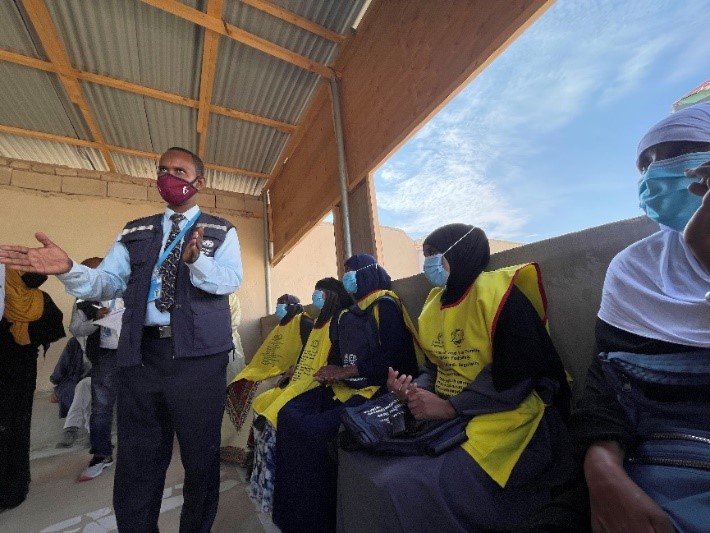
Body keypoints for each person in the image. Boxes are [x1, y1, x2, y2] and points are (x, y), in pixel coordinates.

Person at [0, 146, 242, 531]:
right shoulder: (135, 230)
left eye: (179, 170)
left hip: (198, 361)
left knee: (200, 459)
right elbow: (107, 283)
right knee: (138, 462)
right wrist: (69, 269)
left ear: (200, 180)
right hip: (140, 356)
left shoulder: (220, 230)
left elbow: (229, 281)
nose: (169, 176)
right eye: (162, 169)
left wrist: (198, 261)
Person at [336, 225, 574, 533]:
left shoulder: (499, 294)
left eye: (435, 254)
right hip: (449, 412)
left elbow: (517, 373)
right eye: (426, 255)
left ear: (461, 252)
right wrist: (411, 389)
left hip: (505, 414)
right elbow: (434, 368)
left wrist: (450, 407)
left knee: (399, 482)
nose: (428, 263)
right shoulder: (433, 304)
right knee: (355, 448)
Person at [571, 102, 710, 533]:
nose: (655, 172)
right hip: (652, 461)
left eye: (677, 152)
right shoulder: (633, 269)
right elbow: (607, 381)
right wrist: (601, 469)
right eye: (645, 163)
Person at [271, 255, 422, 533]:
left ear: (367, 274)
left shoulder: (384, 305)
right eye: (345, 273)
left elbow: (393, 357)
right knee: (288, 414)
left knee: (313, 430)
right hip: (344, 386)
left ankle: (321, 520)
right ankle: (292, 517)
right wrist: (332, 369)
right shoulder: (346, 314)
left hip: (375, 389)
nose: (347, 277)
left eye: (351, 272)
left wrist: (348, 371)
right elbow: (339, 355)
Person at [249, 278, 352, 515]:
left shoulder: (340, 320)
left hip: (315, 385)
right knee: (262, 402)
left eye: (320, 293)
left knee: (275, 419)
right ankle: (263, 490)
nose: (315, 297)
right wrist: (294, 371)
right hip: (300, 379)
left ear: (330, 296)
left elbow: (334, 362)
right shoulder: (317, 323)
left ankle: (274, 491)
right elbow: (306, 355)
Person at [221, 294, 312, 468]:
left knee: (258, 389)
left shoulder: (304, 323)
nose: (278, 308)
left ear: (292, 306)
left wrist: (294, 368)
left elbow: (309, 354)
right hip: (266, 372)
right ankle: (226, 442)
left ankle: (244, 449)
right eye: (277, 304)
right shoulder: (279, 327)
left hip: (286, 374)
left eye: (282, 305)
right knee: (237, 386)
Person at [0, 268, 65, 512]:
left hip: (13, 375)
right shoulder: (40, 299)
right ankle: (15, 488)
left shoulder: (4, 300)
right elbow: (55, 329)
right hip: (23, 374)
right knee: (18, 428)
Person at [66, 257, 124, 481]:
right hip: (104, 358)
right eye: (91, 273)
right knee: (101, 407)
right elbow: (76, 329)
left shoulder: (127, 293)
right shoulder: (84, 300)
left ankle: (136, 450)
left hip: (132, 356)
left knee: (137, 404)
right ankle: (101, 455)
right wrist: (96, 321)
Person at [50, 336, 91, 447]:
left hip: (99, 380)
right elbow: (62, 366)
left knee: (86, 386)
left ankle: (71, 429)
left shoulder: (108, 340)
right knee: (81, 390)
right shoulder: (75, 342)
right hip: (75, 382)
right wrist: (56, 388)